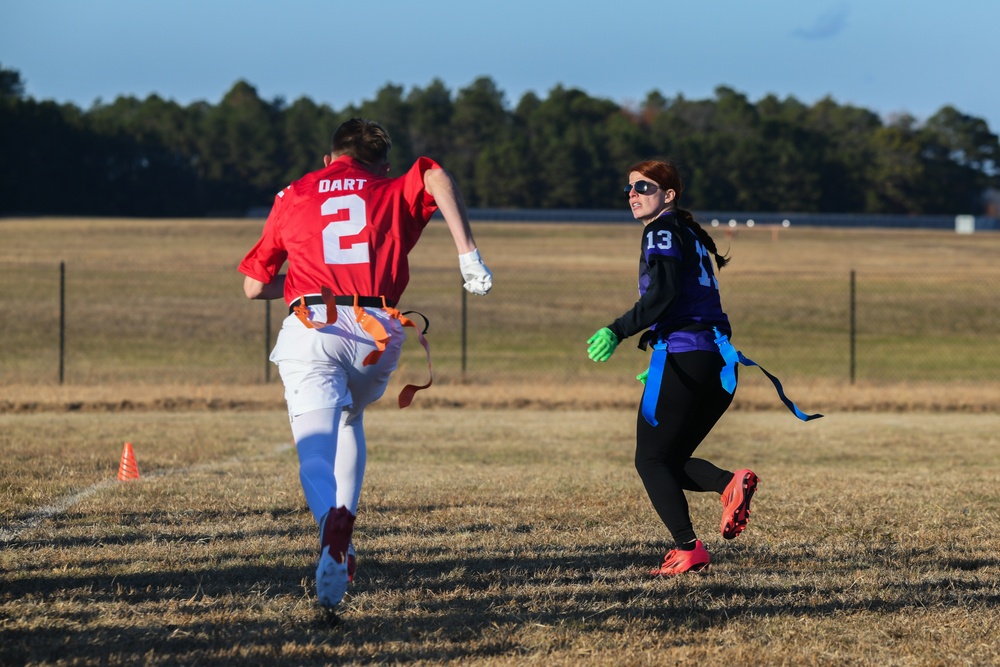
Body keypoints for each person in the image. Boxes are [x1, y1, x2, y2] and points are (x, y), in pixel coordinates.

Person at [238, 117, 493, 611]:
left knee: (314, 448)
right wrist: (469, 256)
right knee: (351, 417)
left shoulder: (294, 193)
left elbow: (252, 286)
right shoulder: (391, 185)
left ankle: (335, 533)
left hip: (313, 324)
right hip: (375, 330)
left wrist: (301, 284)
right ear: (383, 164)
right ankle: (346, 534)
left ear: (329, 158)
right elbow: (435, 174)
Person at [586, 158, 758, 576]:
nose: (633, 194)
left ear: (669, 194)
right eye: (629, 188)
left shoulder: (661, 230)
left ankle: (688, 548)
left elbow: (661, 294)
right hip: (714, 363)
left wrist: (619, 329)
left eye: (644, 187)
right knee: (670, 458)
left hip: (688, 357)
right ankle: (727, 484)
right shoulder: (688, 234)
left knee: (650, 461)